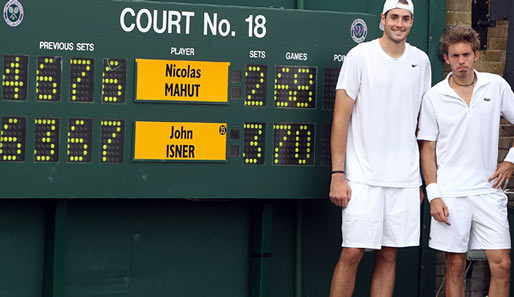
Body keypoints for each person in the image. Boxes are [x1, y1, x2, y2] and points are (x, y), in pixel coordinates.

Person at [328, 0, 431, 296]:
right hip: (362, 176)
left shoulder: (421, 61)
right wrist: (338, 173)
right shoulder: (360, 55)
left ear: (412, 23)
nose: (399, 24)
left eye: (406, 18)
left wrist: (419, 180)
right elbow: (340, 117)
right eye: (394, 17)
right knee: (352, 253)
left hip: (404, 180)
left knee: (389, 255)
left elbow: (421, 123)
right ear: (383, 19)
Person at [418, 25, 513, 297]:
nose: (461, 61)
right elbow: (427, 149)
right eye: (455, 56)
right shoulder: (434, 97)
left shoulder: (496, 86)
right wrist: (434, 194)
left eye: (466, 55)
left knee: (502, 264)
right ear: (446, 58)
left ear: (476, 56)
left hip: (488, 191)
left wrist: (511, 162)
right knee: (455, 266)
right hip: (450, 194)